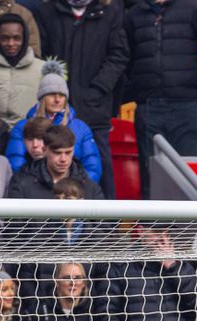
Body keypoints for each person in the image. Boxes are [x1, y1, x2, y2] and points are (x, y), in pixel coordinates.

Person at [124, 0, 197, 195]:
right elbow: (123, 54)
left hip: (187, 104)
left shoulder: (193, 8)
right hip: (149, 105)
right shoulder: (134, 14)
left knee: (189, 169)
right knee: (149, 168)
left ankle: (192, 223)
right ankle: (152, 221)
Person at [37, 0, 128, 198]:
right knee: (54, 163)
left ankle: (105, 226)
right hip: (56, 106)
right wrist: (55, 89)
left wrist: (98, 89)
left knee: (99, 167)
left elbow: (118, 55)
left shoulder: (110, 13)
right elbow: (42, 55)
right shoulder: (47, 11)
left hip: (95, 107)